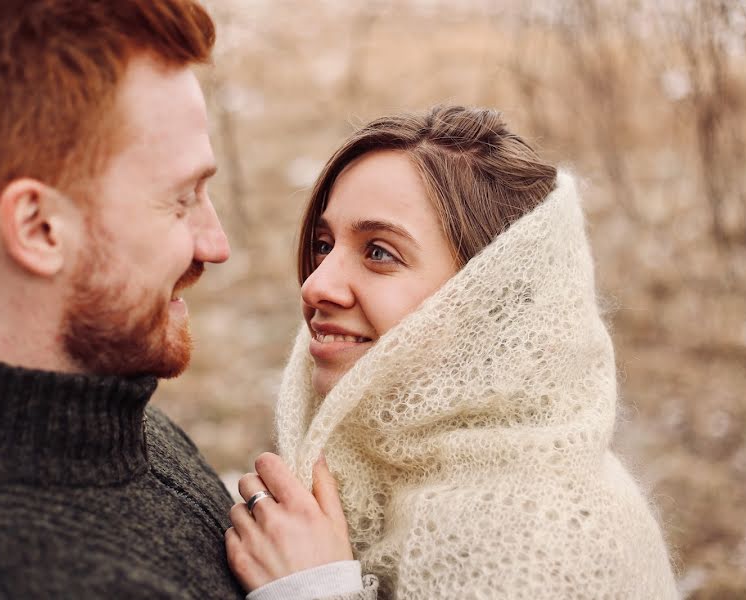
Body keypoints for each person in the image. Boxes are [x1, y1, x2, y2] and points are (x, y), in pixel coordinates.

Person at [0, 1, 373, 598]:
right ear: (38, 229)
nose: (215, 246)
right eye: (180, 199)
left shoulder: (96, 409)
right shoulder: (8, 574)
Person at [227, 106, 679, 598]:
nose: (316, 284)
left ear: (489, 302)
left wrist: (312, 590)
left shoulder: (544, 544)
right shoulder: (357, 467)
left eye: (379, 252)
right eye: (322, 243)